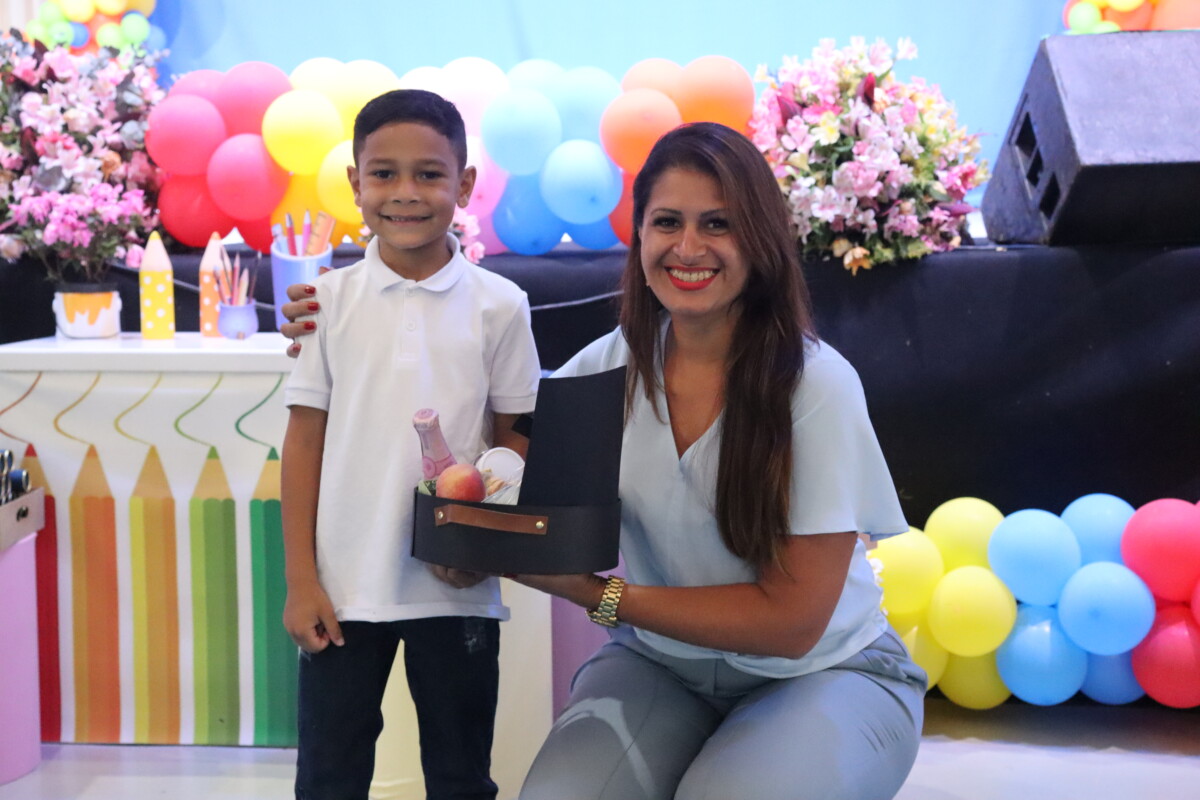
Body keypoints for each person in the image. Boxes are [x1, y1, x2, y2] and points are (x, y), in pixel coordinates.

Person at [283, 121, 925, 800]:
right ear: (639, 234)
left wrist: (600, 595)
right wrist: (345, 315)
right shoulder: (600, 371)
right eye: (667, 222)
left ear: (761, 239)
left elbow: (793, 624)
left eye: (718, 224)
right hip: (661, 667)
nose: (688, 247)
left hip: (823, 672)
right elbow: (512, 496)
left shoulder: (816, 385)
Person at [280, 88, 541, 800]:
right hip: (342, 591)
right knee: (328, 778)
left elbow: (516, 436)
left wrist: (484, 541)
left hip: (456, 590)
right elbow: (303, 443)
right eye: (383, 173)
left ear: (465, 184)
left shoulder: (500, 305)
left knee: (461, 776)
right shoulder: (326, 303)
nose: (405, 192)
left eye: (429, 174)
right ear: (354, 183)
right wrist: (302, 581)